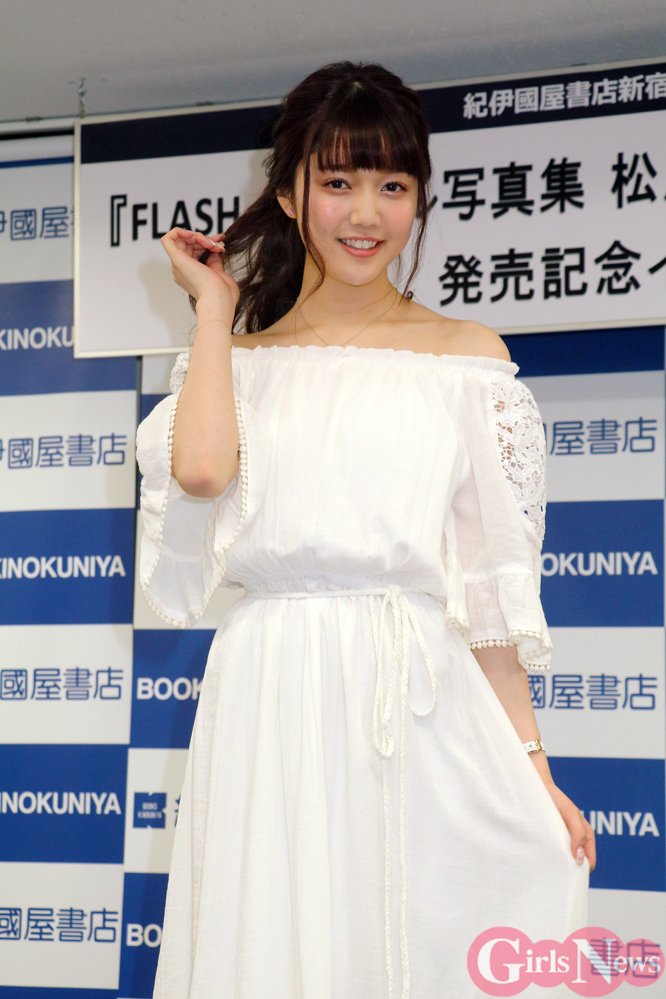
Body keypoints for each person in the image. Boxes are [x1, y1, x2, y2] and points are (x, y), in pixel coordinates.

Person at [136, 60, 595, 999]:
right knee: (272, 943)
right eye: (338, 181)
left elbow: (488, 602)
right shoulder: (239, 359)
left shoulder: (467, 361)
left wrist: (533, 768)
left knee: (415, 942)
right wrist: (216, 311)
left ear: (419, 197)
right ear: (289, 192)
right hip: (271, 688)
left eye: (392, 185)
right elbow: (202, 471)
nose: (365, 213)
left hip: (413, 692)